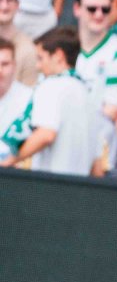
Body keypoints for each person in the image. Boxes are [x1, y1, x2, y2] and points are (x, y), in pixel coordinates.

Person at [0, 28, 91, 175]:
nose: (38, 66)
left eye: (40, 58)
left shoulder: (50, 85)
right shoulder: (86, 91)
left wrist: (7, 161)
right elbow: (96, 160)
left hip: (50, 183)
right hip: (81, 185)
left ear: (58, 56)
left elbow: (46, 134)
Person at [73, 0, 117, 173]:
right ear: (76, 9)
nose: (99, 14)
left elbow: (112, 111)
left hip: (100, 145)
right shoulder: (64, 47)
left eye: (105, 9)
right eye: (92, 9)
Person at [0, 38, 35, 162]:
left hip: (14, 169)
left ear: (14, 66)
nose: (0, 71)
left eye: (5, 64)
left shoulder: (30, 98)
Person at [0, 0, 36, 87]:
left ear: (17, 4)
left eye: (9, 0)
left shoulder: (28, 49)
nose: (4, 6)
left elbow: (29, 90)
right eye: (0, 0)